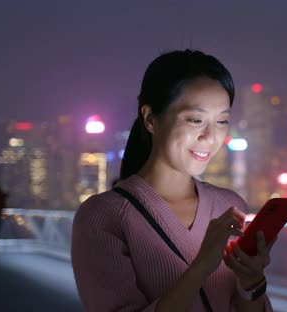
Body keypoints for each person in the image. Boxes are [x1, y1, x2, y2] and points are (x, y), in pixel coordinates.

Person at [71, 50, 274, 312]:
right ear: (151, 119)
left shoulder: (229, 205)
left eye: (222, 121)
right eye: (195, 120)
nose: (210, 137)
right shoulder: (103, 215)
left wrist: (252, 282)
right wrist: (202, 265)